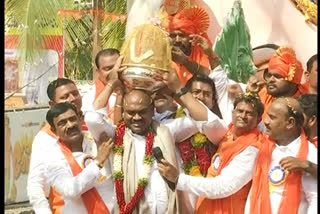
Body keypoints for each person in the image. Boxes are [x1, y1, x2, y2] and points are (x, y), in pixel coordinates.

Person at [157, 93, 265, 214]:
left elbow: (222, 187)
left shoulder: (252, 149)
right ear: (233, 112)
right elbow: (205, 121)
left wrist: (177, 179)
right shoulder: (228, 134)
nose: (243, 116)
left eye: (250, 113)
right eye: (240, 111)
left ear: (259, 119)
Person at [246, 97, 317, 214]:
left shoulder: (309, 153)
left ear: (290, 123)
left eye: (272, 117)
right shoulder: (261, 146)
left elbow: (314, 198)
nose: (266, 121)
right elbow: (254, 192)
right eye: (267, 115)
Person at [27, 78, 86, 214]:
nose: (72, 99)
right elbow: (36, 184)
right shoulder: (45, 138)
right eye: (64, 97)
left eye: (75, 93)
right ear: (52, 104)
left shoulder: (94, 126)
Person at [45, 102, 115, 213]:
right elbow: (71, 189)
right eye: (62, 123)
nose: (70, 125)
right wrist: (98, 162)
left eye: (72, 119)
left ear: (80, 119)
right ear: (54, 130)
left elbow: (94, 118)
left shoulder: (97, 139)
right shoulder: (53, 158)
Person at [248, 46, 309, 120]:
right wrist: (251, 94)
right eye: (269, 75)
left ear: (293, 81)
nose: (271, 80)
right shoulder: (264, 94)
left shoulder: (307, 103)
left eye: (277, 76)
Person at [168, 6, 215, 84]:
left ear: (191, 37)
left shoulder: (203, 56)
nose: (177, 40)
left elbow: (212, 80)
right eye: (173, 36)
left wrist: (185, 61)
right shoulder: (165, 59)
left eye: (182, 35)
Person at [81, 48, 122, 123]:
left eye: (117, 66)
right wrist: (112, 82)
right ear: (98, 72)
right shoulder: (89, 96)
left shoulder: (132, 90)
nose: (114, 71)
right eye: (107, 69)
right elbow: (93, 120)